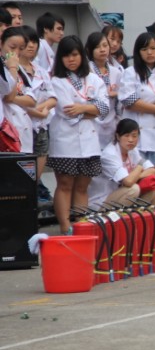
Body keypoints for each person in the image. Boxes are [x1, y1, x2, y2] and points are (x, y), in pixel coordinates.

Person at [47, 35, 110, 234]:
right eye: (66, 56)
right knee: (65, 184)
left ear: (81, 55)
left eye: (74, 55)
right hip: (66, 140)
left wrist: (84, 108)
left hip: (90, 140)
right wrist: (91, 110)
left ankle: (82, 223)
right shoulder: (57, 81)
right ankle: (66, 225)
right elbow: (68, 112)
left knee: (83, 185)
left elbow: (105, 107)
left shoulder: (93, 79)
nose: (71, 59)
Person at [120, 32, 155, 180]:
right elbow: (128, 101)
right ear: (138, 52)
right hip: (137, 134)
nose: (150, 52)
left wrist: (143, 105)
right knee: (134, 176)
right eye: (144, 49)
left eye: (153, 48)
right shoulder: (130, 73)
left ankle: (154, 204)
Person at [17, 26, 56, 201]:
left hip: (41, 128)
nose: (31, 46)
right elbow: (13, 100)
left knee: (35, 178)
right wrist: (36, 111)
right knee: (19, 178)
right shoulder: (12, 70)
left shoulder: (40, 70)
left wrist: (44, 109)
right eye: (27, 42)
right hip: (20, 127)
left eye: (34, 42)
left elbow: (53, 97)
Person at [88, 118, 155, 207]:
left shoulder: (132, 150)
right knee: (133, 189)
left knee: (152, 181)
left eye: (134, 136)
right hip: (102, 200)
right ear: (118, 136)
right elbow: (128, 182)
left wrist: (136, 176)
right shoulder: (109, 154)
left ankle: (139, 215)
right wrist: (140, 166)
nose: (131, 140)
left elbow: (153, 170)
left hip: (121, 194)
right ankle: (119, 218)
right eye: (126, 135)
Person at [86, 32, 123, 147]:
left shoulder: (116, 72)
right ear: (90, 50)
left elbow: (121, 97)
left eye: (105, 46)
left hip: (111, 121)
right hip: (92, 120)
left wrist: (116, 93)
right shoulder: (87, 71)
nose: (102, 50)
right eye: (97, 47)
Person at [2, 28, 35, 153]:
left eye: (21, 49)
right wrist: (12, 68)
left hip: (24, 128)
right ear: (1, 44)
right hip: (7, 130)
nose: (16, 52)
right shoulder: (9, 67)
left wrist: (14, 98)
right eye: (12, 47)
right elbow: (9, 94)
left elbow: (31, 100)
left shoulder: (20, 70)